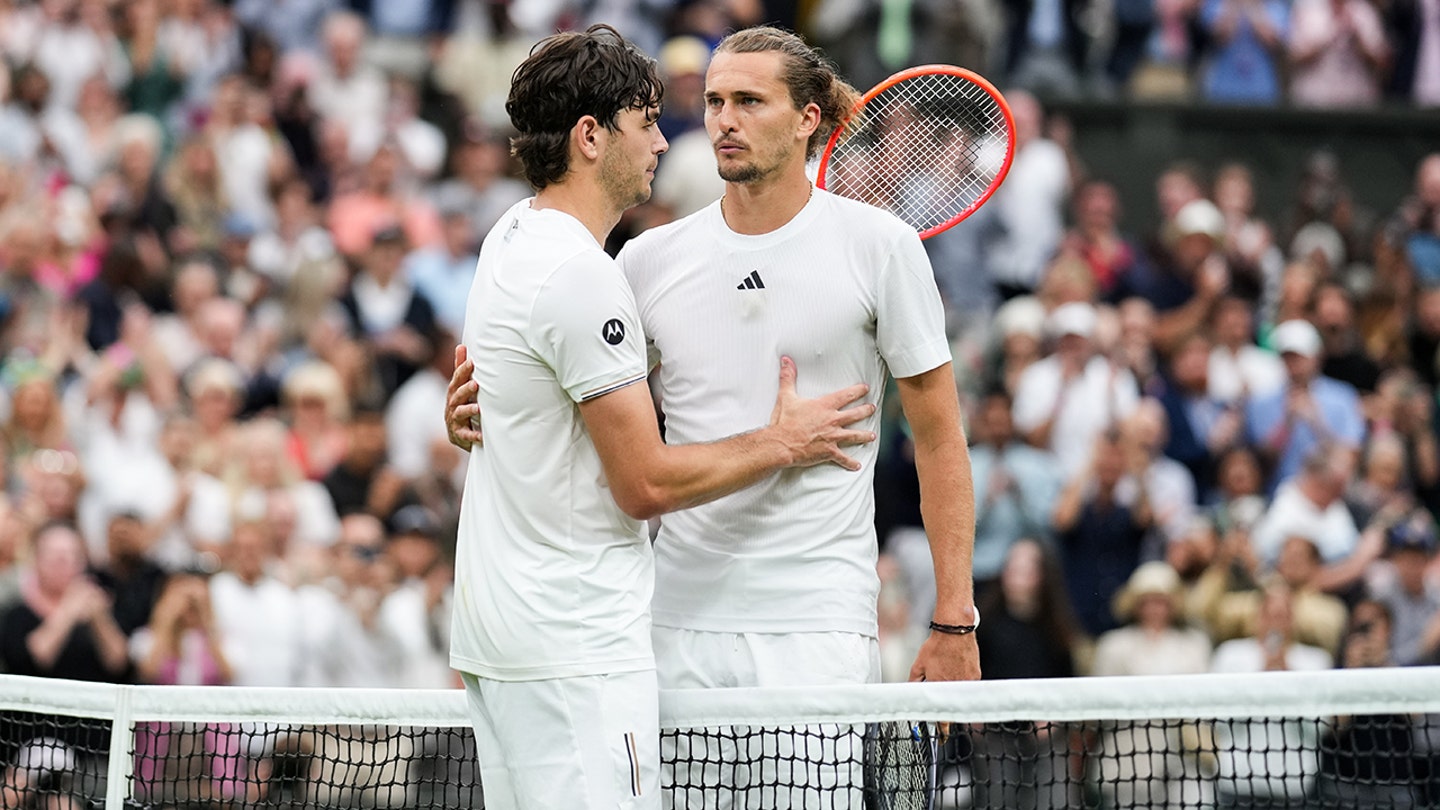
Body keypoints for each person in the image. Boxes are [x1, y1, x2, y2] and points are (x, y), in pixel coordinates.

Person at [449, 23, 981, 807]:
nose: (722, 120)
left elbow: (939, 438)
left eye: (749, 101)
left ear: (807, 119)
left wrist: (955, 618)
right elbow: (570, 380)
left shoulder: (882, 246)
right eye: (716, 101)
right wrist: (478, 399)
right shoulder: (642, 260)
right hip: (668, 628)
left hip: (814, 629)